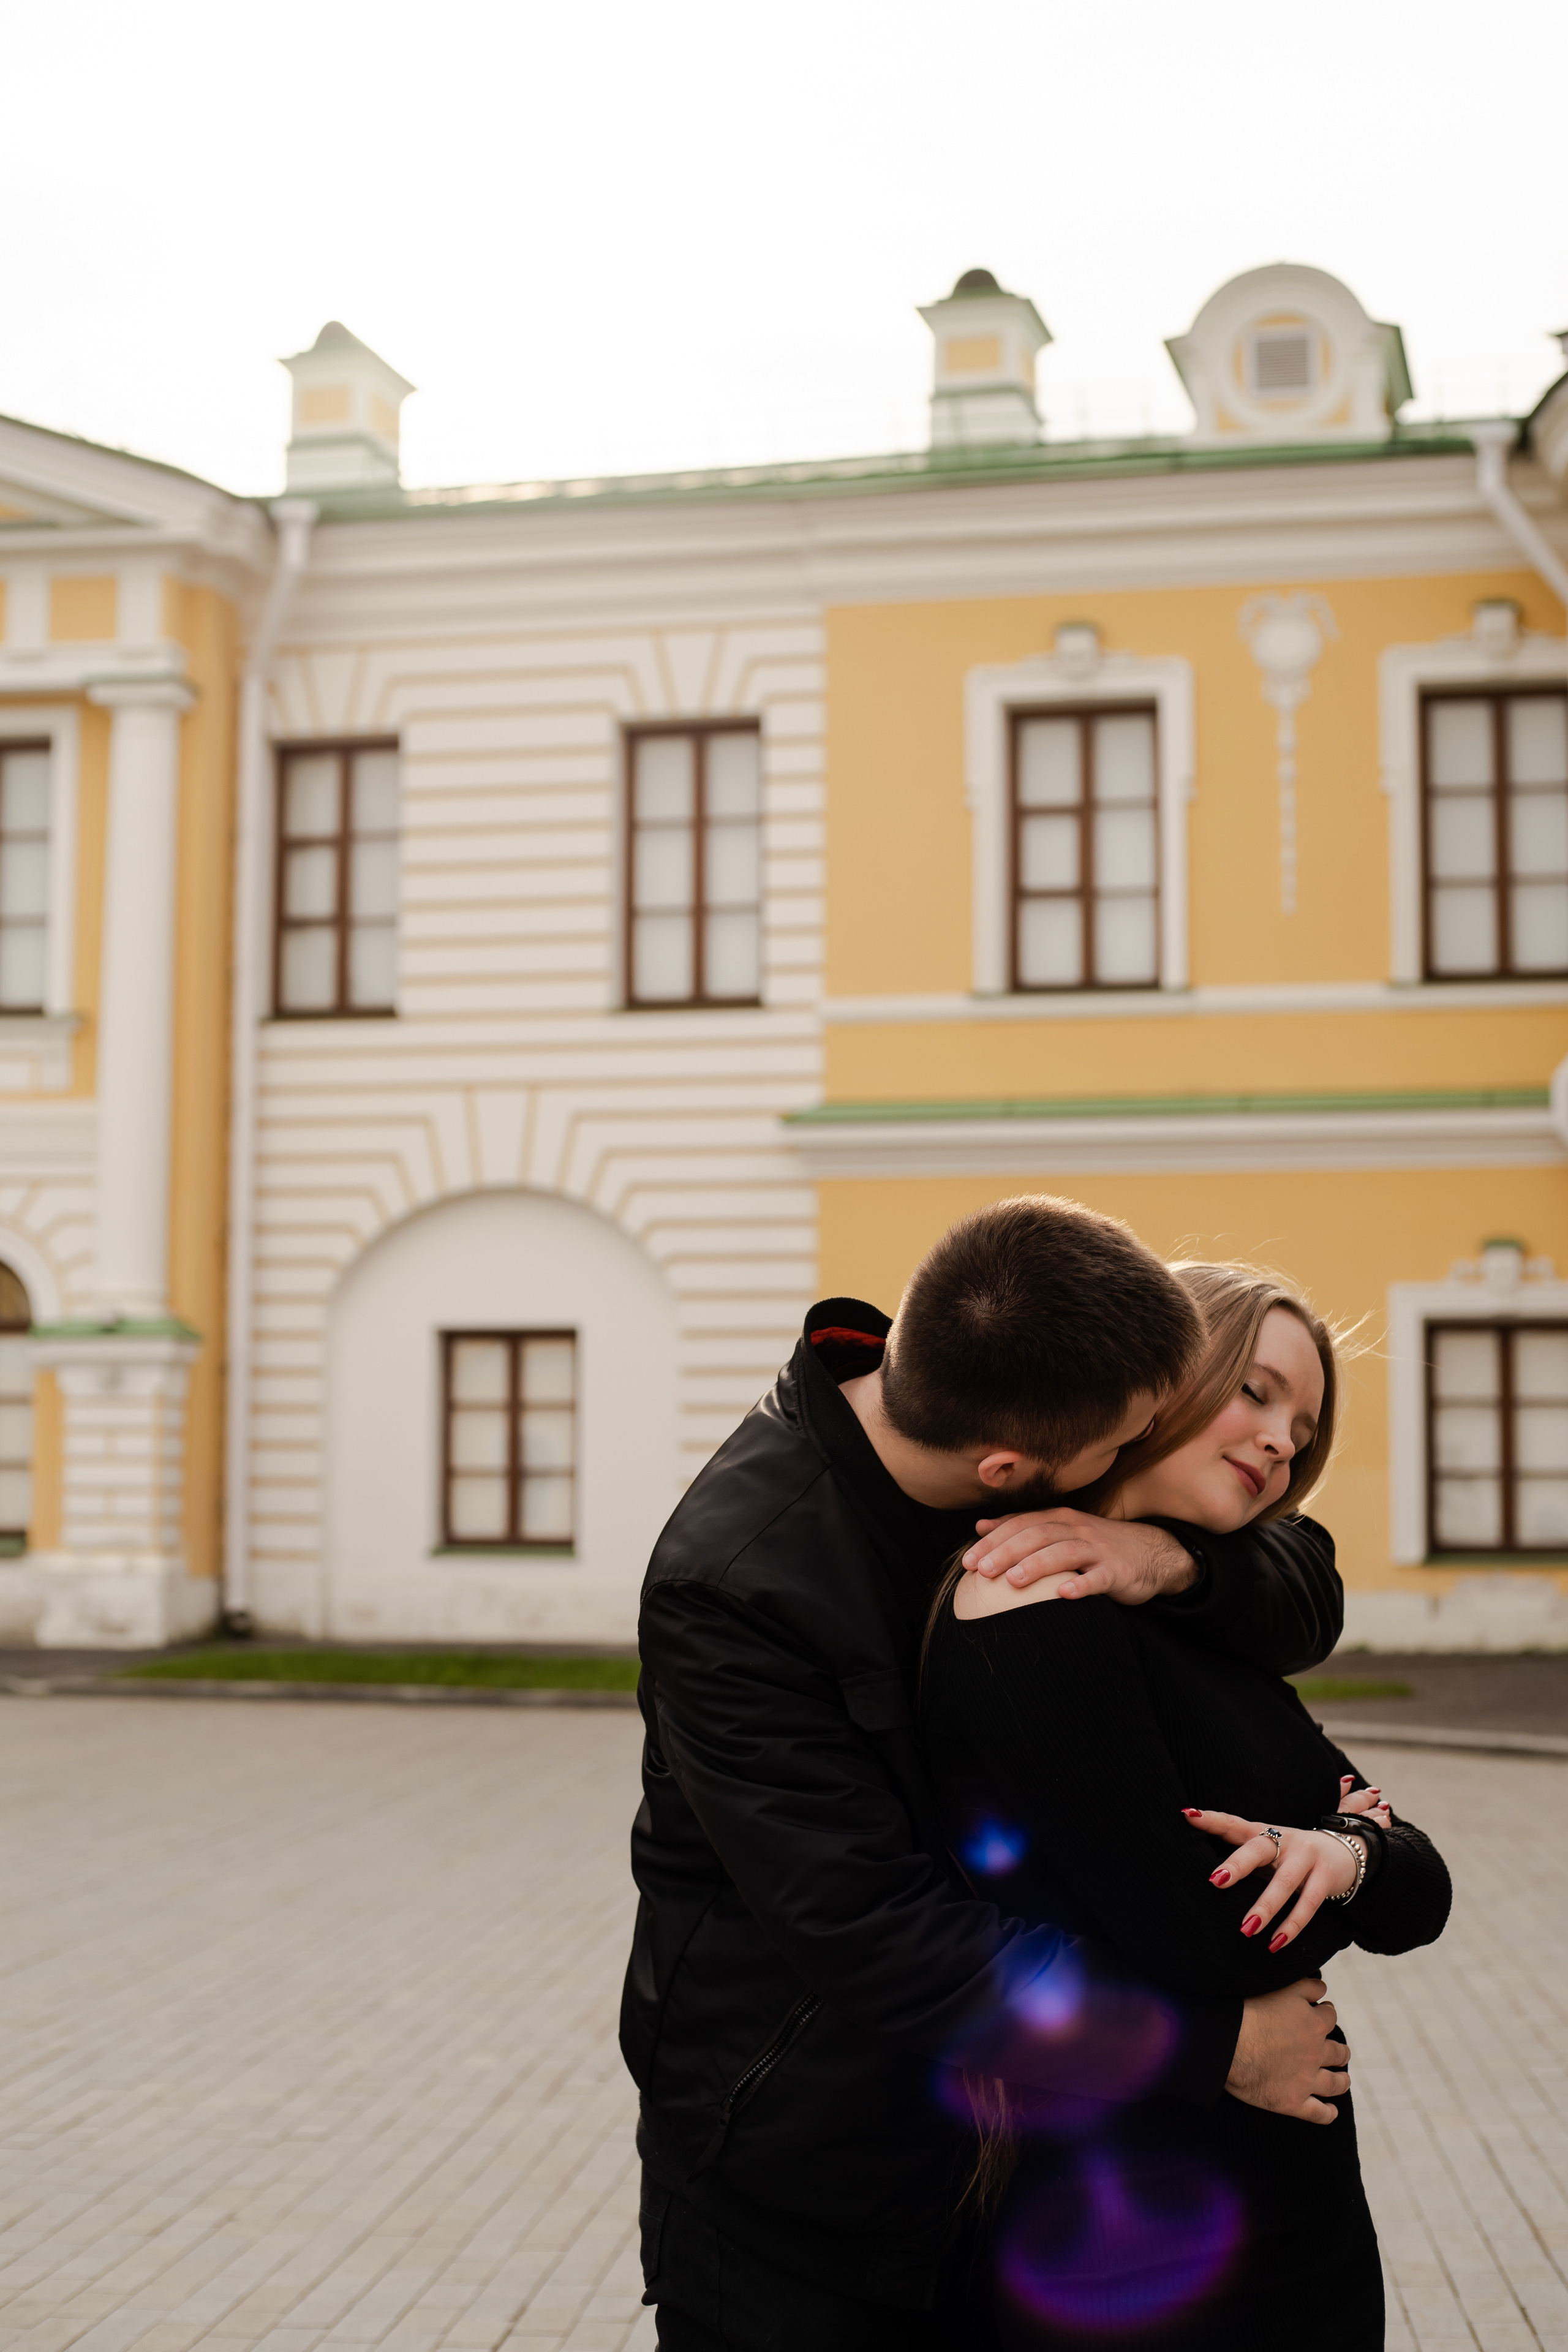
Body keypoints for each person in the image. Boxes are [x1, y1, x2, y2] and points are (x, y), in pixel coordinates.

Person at [622, 1200, 1354, 2351]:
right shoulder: (735, 1587)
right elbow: (873, 1931)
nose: (1133, 1463)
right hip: (803, 2176)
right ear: (1009, 1473)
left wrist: (1164, 1554)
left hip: (1009, 2150)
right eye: (1123, 1450)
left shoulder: (1018, 1368)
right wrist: (1213, 2046)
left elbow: (1296, 1558)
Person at [922, 1262, 1452, 2350]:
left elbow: (1420, 1892)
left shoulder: (1203, 1608)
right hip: (1131, 2227)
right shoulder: (1026, 1599)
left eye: (1302, 1426)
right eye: (1256, 1392)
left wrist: (1347, 1859)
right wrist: (1362, 1850)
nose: (1281, 1442)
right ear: (1156, 1374)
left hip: (1281, 2203)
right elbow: (1206, 1934)